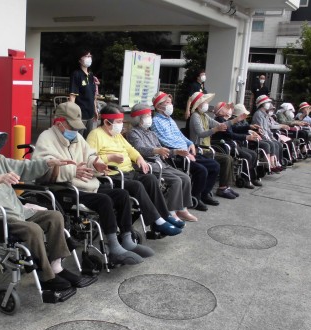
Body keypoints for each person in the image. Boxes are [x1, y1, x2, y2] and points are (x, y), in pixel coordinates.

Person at [0, 121, 95, 290]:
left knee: (55, 216)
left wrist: (48, 163)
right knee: (34, 229)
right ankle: (46, 276)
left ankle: (56, 266)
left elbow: (24, 167)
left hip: (17, 211)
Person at [32, 101, 154, 264]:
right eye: (72, 126)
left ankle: (127, 239)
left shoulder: (76, 137)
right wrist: (72, 171)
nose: (75, 130)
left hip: (85, 184)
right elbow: (42, 167)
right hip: (62, 188)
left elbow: (90, 155)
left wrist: (97, 163)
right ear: (60, 122)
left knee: (122, 194)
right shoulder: (46, 138)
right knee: (104, 200)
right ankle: (114, 247)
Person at [86, 103, 183, 236]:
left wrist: (139, 158)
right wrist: (109, 157)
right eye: (119, 122)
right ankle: (157, 221)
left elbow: (130, 149)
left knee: (150, 179)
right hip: (112, 176)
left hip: (129, 172)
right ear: (107, 122)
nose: (122, 125)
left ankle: (164, 215)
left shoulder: (116, 135)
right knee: (137, 186)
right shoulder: (95, 135)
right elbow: (90, 158)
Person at [126, 103, 200, 220]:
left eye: (149, 115)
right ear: (139, 118)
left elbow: (163, 150)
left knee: (186, 178)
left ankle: (182, 209)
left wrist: (175, 152)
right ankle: (170, 211)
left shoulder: (151, 133)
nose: (149, 118)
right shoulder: (133, 133)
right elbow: (140, 149)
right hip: (149, 165)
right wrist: (156, 150)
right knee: (176, 181)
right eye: (147, 116)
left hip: (161, 164)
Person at [150, 91, 221, 208]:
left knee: (214, 165)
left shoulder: (170, 120)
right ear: (158, 106)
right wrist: (184, 152)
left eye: (170, 103)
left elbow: (180, 136)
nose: (170, 105)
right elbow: (164, 141)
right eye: (167, 103)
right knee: (201, 170)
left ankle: (204, 193)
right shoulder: (156, 121)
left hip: (185, 151)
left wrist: (190, 143)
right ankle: (194, 197)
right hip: (174, 154)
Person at [187, 93, 240, 200]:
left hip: (206, 148)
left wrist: (234, 120)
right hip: (199, 148)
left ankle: (225, 186)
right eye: (204, 102)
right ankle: (221, 188)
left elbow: (219, 125)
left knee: (228, 158)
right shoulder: (195, 116)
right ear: (198, 105)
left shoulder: (205, 116)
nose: (206, 104)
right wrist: (215, 130)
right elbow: (201, 134)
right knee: (225, 159)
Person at [212, 102, 263, 187]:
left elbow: (235, 128)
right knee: (248, 156)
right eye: (227, 108)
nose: (229, 109)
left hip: (232, 144)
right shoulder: (220, 121)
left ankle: (252, 177)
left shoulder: (224, 120)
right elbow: (231, 135)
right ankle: (245, 179)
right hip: (226, 145)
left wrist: (249, 126)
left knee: (253, 154)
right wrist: (247, 137)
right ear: (220, 111)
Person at [69, 49, 99, 135]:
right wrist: (72, 113)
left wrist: (95, 109)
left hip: (90, 113)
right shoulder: (76, 74)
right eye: (86, 56)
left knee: (88, 137)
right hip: (80, 114)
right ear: (79, 59)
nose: (88, 58)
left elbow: (93, 95)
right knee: (78, 138)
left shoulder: (91, 75)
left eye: (90, 56)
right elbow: (72, 95)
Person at [251, 95, 283, 172]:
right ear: (262, 103)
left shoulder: (265, 115)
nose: (269, 104)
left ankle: (275, 163)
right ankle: (270, 164)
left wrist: (272, 137)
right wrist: (268, 139)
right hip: (260, 137)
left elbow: (267, 129)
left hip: (265, 136)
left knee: (277, 143)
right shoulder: (258, 114)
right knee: (271, 144)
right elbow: (261, 129)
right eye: (267, 102)